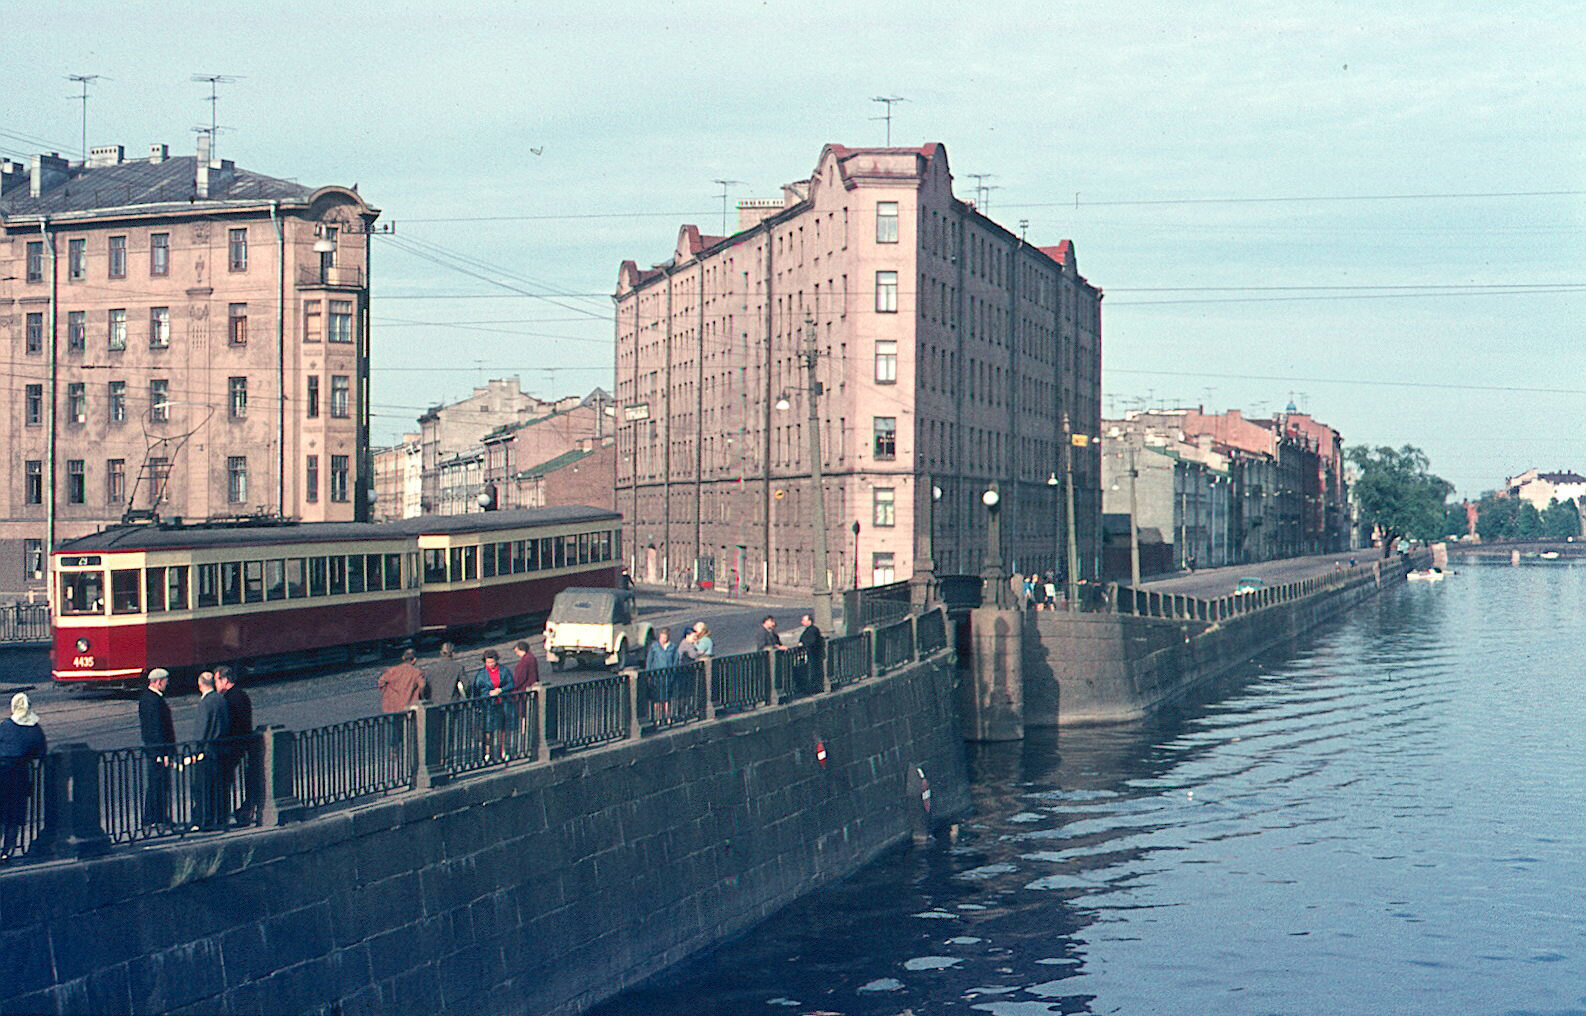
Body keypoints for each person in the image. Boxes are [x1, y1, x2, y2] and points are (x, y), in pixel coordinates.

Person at [0, 692, 46, 857]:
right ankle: (6, 853)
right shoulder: (35, 730)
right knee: (13, 817)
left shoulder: (5, 726)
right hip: (19, 777)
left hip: (2, 774)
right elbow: (41, 752)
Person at [214, 667, 256, 825]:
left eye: (217, 680)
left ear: (224, 680)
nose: (216, 685)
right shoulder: (242, 695)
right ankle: (245, 809)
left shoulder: (226, 699)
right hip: (243, 743)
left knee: (224, 781)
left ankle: (222, 815)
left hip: (230, 746)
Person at [189, 672, 230, 831]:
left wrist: (195, 750)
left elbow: (201, 728)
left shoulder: (205, 703)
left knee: (203, 787)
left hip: (206, 751)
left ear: (200, 685)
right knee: (217, 787)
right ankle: (219, 819)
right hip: (220, 749)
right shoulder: (221, 699)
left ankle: (204, 820)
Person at [138, 668, 176, 830]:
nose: (166, 684)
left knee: (157, 784)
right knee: (158, 784)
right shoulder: (153, 700)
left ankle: (155, 816)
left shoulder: (148, 698)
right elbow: (156, 729)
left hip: (155, 750)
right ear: (159, 681)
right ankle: (156, 817)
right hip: (158, 751)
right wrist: (162, 752)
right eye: (165, 681)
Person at [378, 649, 429, 754]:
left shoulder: (393, 670)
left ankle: (395, 749)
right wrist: (420, 696)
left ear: (403, 658)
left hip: (393, 706)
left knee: (395, 728)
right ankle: (409, 750)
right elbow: (422, 686)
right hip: (409, 705)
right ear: (414, 660)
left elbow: (381, 682)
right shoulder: (417, 672)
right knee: (410, 729)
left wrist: (388, 694)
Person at [473, 650, 514, 762]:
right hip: (488, 704)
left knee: (503, 728)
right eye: (488, 662)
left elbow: (511, 683)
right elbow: (476, 690)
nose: (491, 664)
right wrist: (478, 705)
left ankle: (503, 750)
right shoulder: (481, 674)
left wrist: (501, 690)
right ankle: (488, 752)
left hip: (502, 703)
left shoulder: (504, 671)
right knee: (488, 728)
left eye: (492, 662)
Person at [797, 613, 826, 694]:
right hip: (813, 655)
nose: (802, 622)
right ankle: (813, 687)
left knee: (813, 671)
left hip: (813, 655)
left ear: (809, 621)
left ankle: (814, 688)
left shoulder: (812, 630)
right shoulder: (811, 629)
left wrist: (803, 644)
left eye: (804, 620)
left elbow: (811, 641)